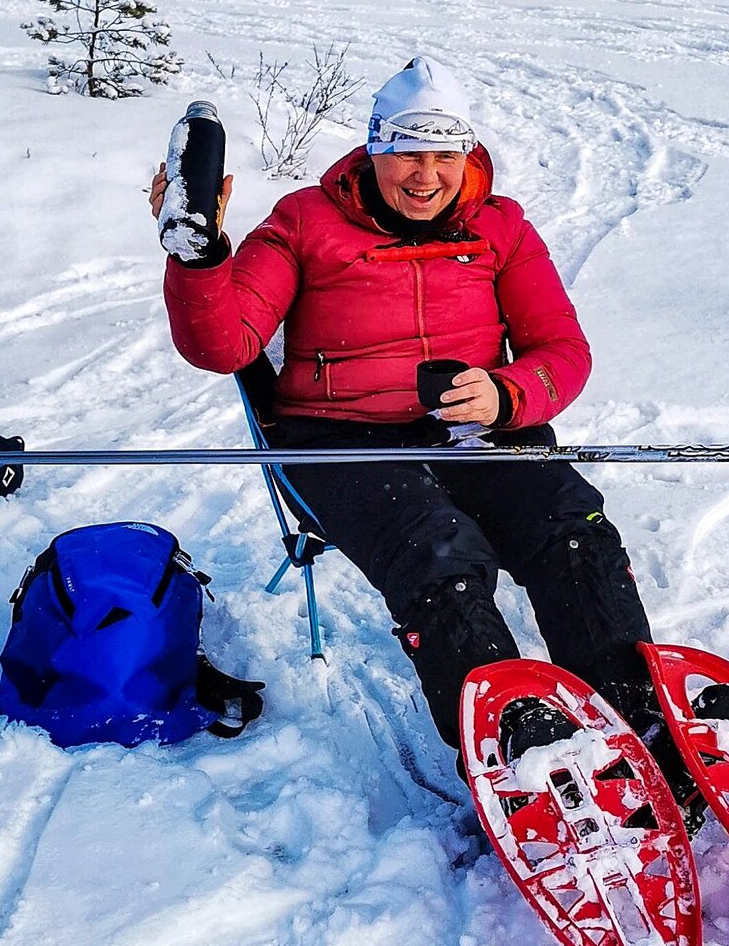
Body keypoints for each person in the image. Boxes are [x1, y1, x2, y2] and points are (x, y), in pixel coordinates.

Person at [152, 56, 681, 786]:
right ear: (375, 149)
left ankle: (639, 717)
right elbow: (223, 344)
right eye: (406, 152)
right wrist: (201, 258)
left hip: (478, 429)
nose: (425, 174)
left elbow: (562, 348)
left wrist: (509, 393)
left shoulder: (501, 227)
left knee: (571, 527)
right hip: (340, 442)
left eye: (444, 154)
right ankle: (514, 744)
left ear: (466, 156)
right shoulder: (305, 222)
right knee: (439, 550)